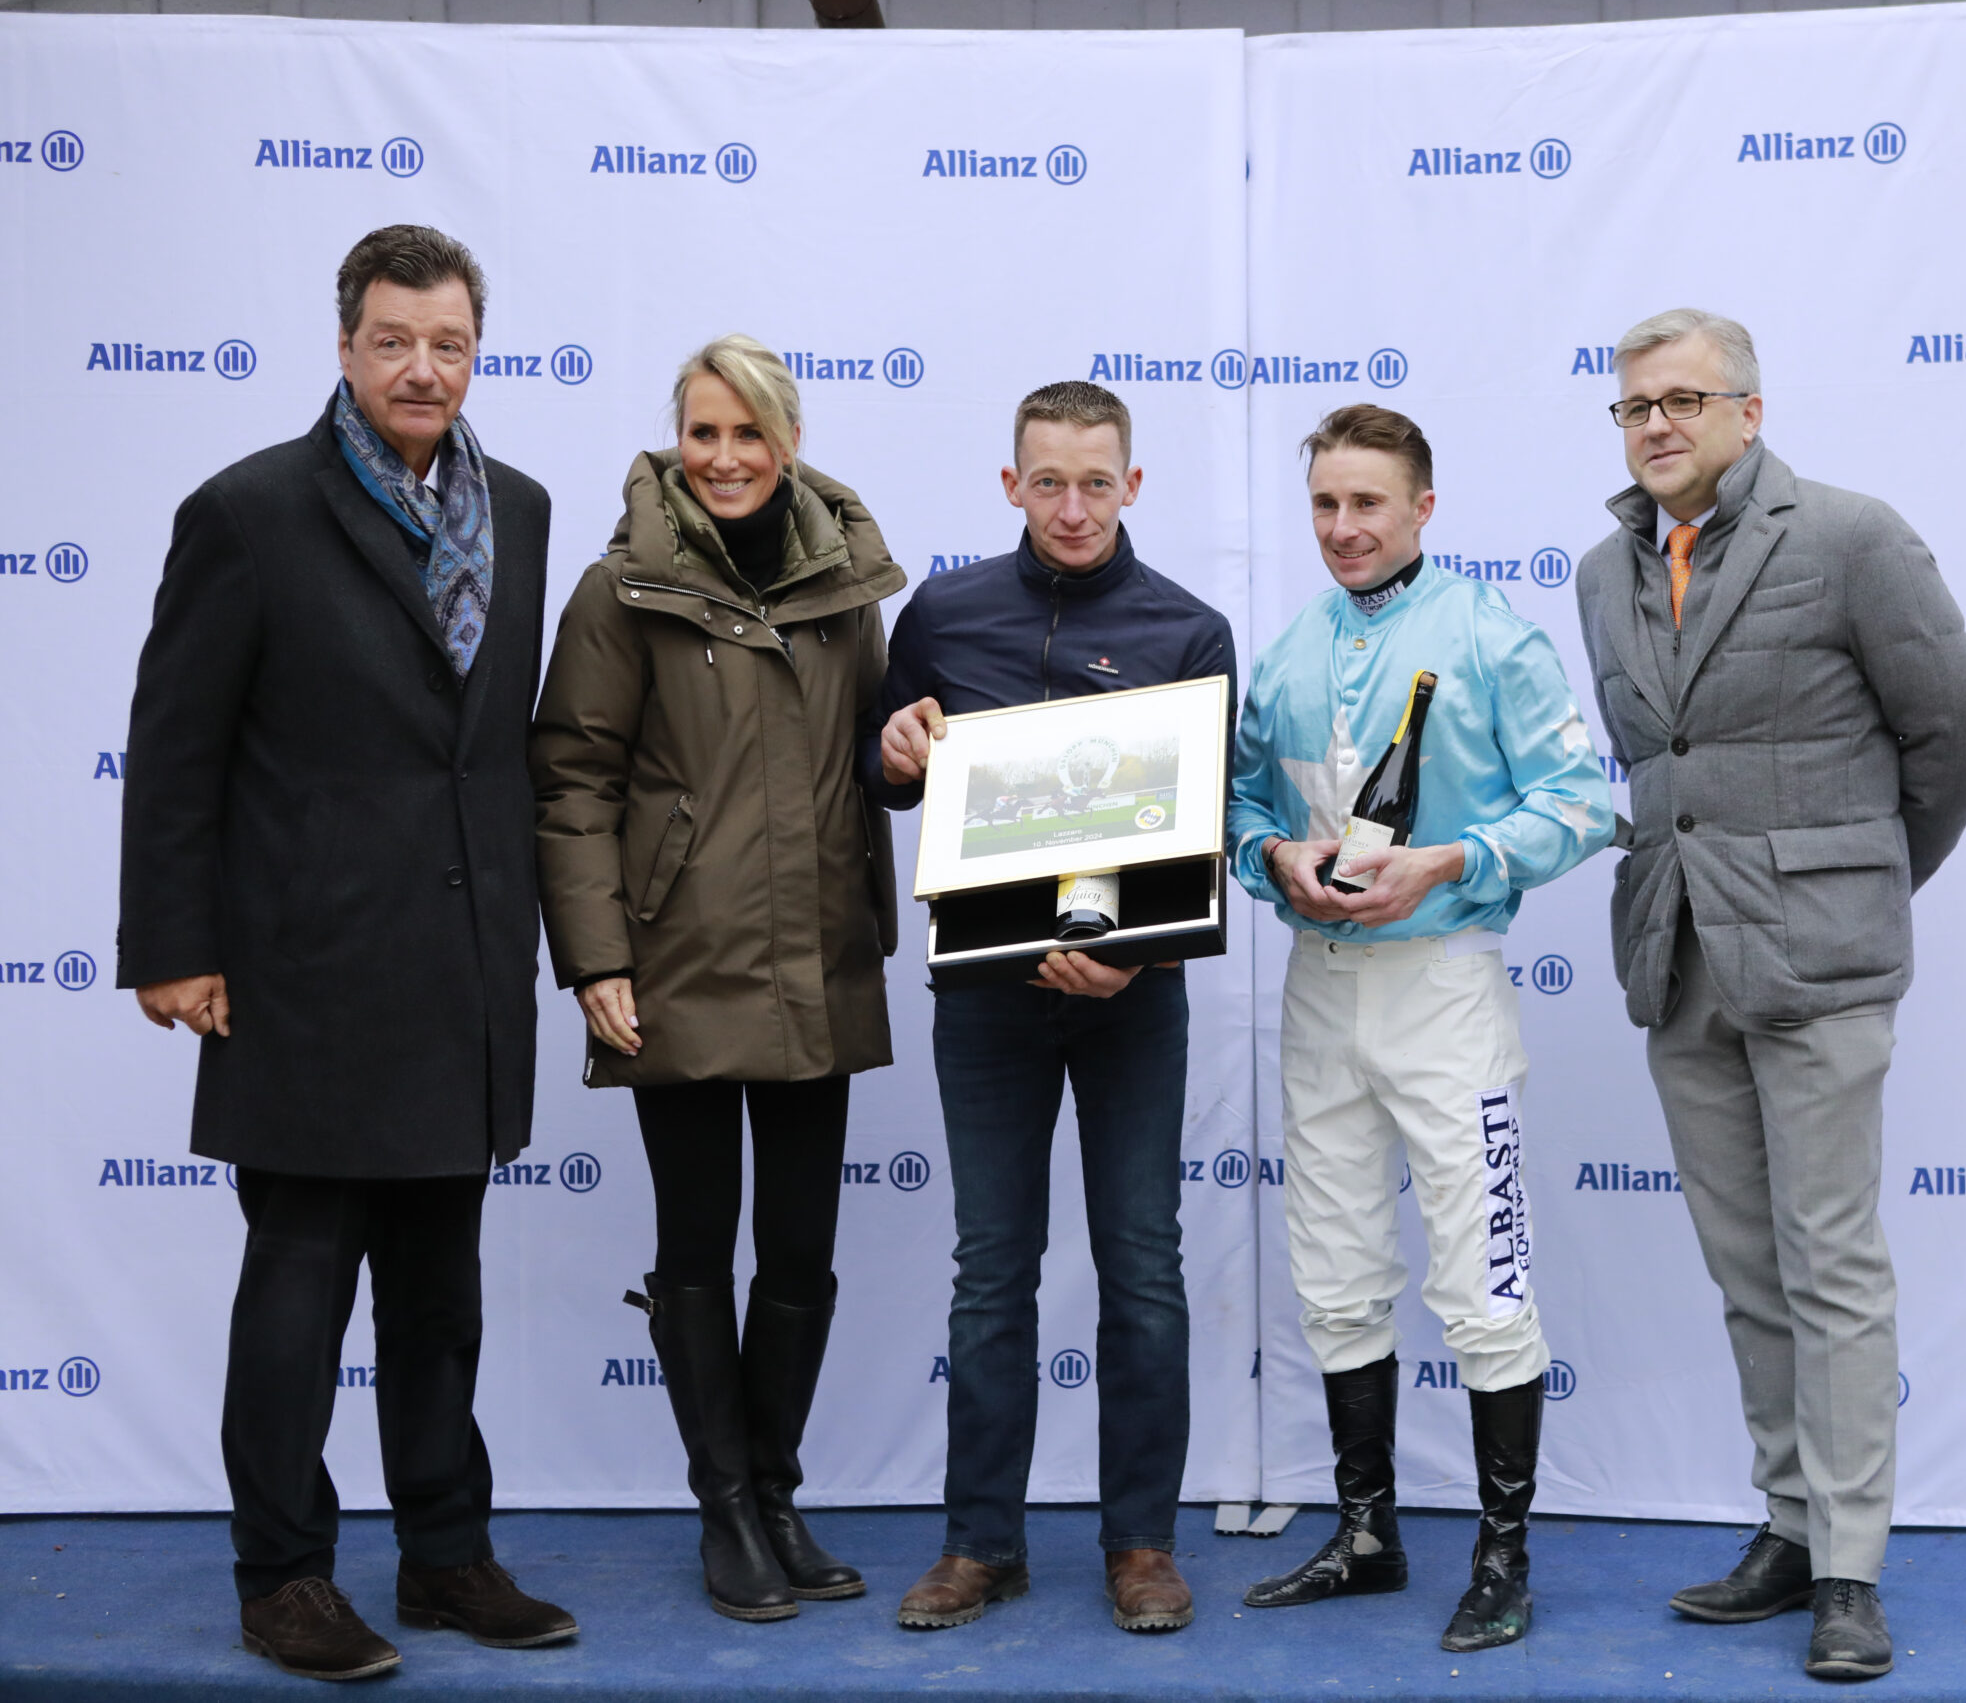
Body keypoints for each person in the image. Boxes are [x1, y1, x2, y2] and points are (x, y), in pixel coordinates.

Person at [117, 225, 576, 1682]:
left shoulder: (522, 504)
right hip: (305, 973)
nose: (421, 367)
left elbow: (494, 753)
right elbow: (175, 749)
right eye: (393, 340)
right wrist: (171, 944)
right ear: (344, 346)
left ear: (475, 348)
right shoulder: (247, 512)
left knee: (442, 1292)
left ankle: (445, 1552)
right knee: (299, 1289)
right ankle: (284, 1573)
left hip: (461, 969)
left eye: (447, 342)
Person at [1573, 309, 1966, 1681]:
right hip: (1680, 955)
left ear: (1750, 411)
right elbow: (1664, 759)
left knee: (1833, 1262)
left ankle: (1854, 1569)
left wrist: (1859, 880)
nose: (1656, 424)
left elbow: (1958, 732)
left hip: (1820, 961)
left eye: (1684, 399)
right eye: (1635, 404)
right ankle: (1789, 1523)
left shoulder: (1850, 537)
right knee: (1749, 1268)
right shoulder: (1602, 572)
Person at [530, 336, 905, 1621]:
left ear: (788, 443)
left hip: (816, 957)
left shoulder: (848, 587)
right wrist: (594, 958)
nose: (727, 458)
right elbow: (572, 782)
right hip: (674, 966)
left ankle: (778, 1489)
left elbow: (869, 752)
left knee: (800, 1247)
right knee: (696, 1242)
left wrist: (905, 754)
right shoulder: (618, 588)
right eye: (704, 434)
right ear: (675, 443)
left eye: (749, 435)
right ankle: (725, 1508)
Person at [1227, 405, 1613, 1653]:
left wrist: (1452, 858)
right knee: (1334, 1272)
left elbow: (1583, 804)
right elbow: (1233, 808)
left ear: (1423, 509)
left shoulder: (1491, 637)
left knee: (1482, 1279)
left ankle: (1502, 1561)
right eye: (1327, 506)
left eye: (1368, 505)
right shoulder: (1287, 654)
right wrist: (1273, 853)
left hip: (1443, 985)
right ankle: (1365, 1534)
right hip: (1319, 989)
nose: (1344, 529)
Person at [860, 381, 1234, 1636]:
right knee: (988, 1275)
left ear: (1133, 485)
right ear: (1008, 484)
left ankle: (1141, 1546)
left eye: (1095, 482)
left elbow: (1209, 833)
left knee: (1141, 1271)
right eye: (1047, 482)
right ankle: (980, 1547)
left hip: (1134, 998)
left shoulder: (1188, 629)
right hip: (986, 998)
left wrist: (1137, 953)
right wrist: (895, 750)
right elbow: (889, 769)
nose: (1071, 508)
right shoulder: (945, 611)